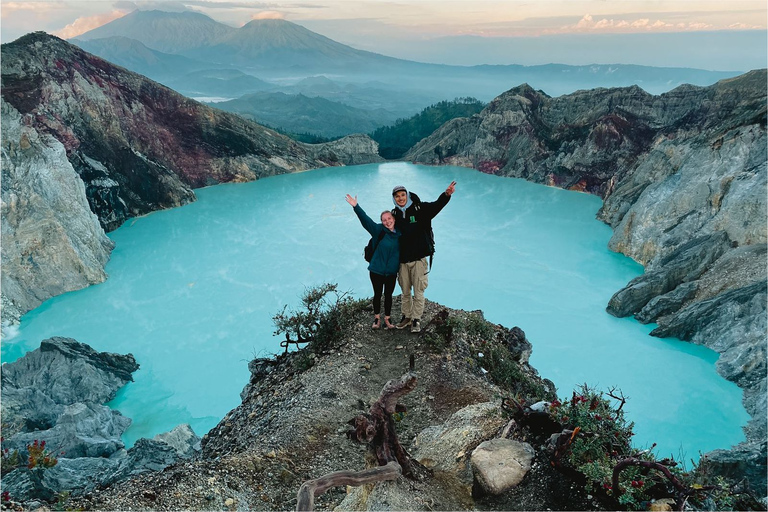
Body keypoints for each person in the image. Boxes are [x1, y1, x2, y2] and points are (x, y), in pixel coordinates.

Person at [391, 181, 456, 333]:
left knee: (418, 291)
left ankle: (416, 320)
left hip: (419, 259)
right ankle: (406, 316)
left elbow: (436, 206)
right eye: (397, 196)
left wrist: (446, 195)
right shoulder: (394, 215)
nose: (400, 198)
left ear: (407, 195)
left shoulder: (420, 209)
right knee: (405, 291)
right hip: (403, 261)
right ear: (394, 199)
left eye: (402, 195)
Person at [346, 194, 401, 330]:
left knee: (388, 295)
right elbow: (366, 221)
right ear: (381, 222)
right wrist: (356, 206)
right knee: (377, 294)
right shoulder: (378, 231)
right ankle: (377, 318)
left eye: (389, 219)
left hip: (391, 271)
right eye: (384, 220)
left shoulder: (401, 234)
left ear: (394, 219)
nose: (387, 222)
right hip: (376, 270)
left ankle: (387, 319)